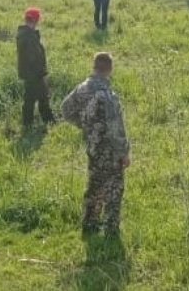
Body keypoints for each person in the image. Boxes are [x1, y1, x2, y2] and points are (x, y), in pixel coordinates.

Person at [61, 52, 130, 238]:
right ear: (109, 69)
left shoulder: (82, 89)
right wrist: (124, 152)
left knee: (94, 184)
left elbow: (65, 110)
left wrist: (85, 125)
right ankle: (110, 228)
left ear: (94, 67)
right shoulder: (108, 96)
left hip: (93, 146)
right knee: (114, 188)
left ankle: (89, 223)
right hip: (110, 150)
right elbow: (116, 128)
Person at [16, 7, 55, 128]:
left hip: (27, 73)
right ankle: (49, 122)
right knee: (42, 98)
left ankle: (27, 123)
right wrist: (42, 73)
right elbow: (35, 58)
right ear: (36, 20)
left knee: (30, 99)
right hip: (35, 73)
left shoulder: (23, 34)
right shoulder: (30, 37)